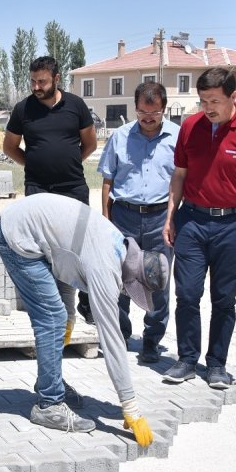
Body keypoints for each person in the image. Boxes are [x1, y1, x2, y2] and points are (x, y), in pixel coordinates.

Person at [0, 193, 167, 446]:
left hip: (32, 227)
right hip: (17, 234)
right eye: (133, 291)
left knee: (59, 317)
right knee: (52, 318)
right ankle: (49, 405)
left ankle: (49, 381)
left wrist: (71, 317)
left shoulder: (118, 245)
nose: (126, 294)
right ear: (133, 279)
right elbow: (112, 341)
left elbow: (65, 263)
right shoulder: (106, 269)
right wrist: (130, 406)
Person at [162, 67, 236, 388]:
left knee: (224, 298)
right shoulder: (190, 127)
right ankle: (187, 360)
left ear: (233, 96)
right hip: (192, 221)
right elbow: (179, 175)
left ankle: (216, 365)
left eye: (214, 101)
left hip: (234, 224)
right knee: (187, 293)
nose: (208, 108)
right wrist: (170, 217)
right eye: (203, 101)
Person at [4, 55, 98, 325]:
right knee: (42, 251)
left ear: (57, 79)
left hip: (73, 189)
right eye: (33, 81)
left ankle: (83, 305)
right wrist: (33, 164)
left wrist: (70, 162)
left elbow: (90, 144)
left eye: (42, 82)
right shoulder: (23, 109)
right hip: (38, 190)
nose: (36, 87)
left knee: (76, 249)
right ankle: (50, 314)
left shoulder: (76, 105)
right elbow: (9, 147)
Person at [98, 81, 179, 363]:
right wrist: (106, 220)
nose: (148, 118)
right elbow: (107, 181)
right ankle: (120, 336)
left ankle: (151, 342)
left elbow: (181, 181)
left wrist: (172, 219)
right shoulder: (120, 137)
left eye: (154, 113)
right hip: (124, 217)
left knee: (158, 279)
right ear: (135, 109)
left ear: (163, 109)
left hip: (160, 219)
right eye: (143, 112)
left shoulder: (177, 137)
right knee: (119, 278)